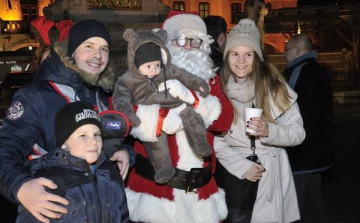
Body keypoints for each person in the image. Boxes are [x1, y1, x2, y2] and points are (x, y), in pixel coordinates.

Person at [0, 19, 133, 223]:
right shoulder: (37, 96)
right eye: (88, 46)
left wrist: (123, 150)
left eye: (104, 48)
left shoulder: (104, 95)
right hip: (53, 210)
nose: (98, 55)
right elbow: (6, 148)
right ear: (71, 51)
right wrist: (20, 186)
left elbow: (107, 139)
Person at [124, 11, 234, 223]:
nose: (187, 46)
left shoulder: (210, 83)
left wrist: (194, 99)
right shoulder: (143, 75)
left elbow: (225, 122)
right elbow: (127, 118)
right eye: (180, 39)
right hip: (155, 194)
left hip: (200, 195)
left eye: (194, 41)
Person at [214, 18, 305, 223]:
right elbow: (213, 139)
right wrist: (241, 166)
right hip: (238, 175)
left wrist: (270, 131)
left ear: (257, 57)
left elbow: (298, 133)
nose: (241, 61)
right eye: (235, 54)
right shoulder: (218, 92)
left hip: (273, 173)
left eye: (248, 55)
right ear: (227, 56)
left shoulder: (276, 88)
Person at [113, 28, 212, 184]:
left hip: (175, 106)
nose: (154, 70)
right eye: (149, 66)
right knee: (155, 140)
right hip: (152, 113)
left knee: (191, 116)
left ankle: (200, 143)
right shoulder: (127, 80)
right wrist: (129, 115)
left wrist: (199, 84)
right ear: (136, 64)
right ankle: (163, 168)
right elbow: (120, 99)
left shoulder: (168, 70)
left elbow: (186, 76)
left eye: (157, 65)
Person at [15, 101, 129, 223]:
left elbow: (123, 215)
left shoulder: (110, 173)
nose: (93, 141)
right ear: (64, 143)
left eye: (96, 134)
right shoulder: (51, 181)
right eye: (83, 135)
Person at [284, 33, 335, 223]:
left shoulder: (298, 72)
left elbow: (287, 109)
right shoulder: (322, 71)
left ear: (298, 51)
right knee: (313, 200)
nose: (284, 54)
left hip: (302, 153)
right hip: (320, 152)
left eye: (287, 50)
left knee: (293, 205)